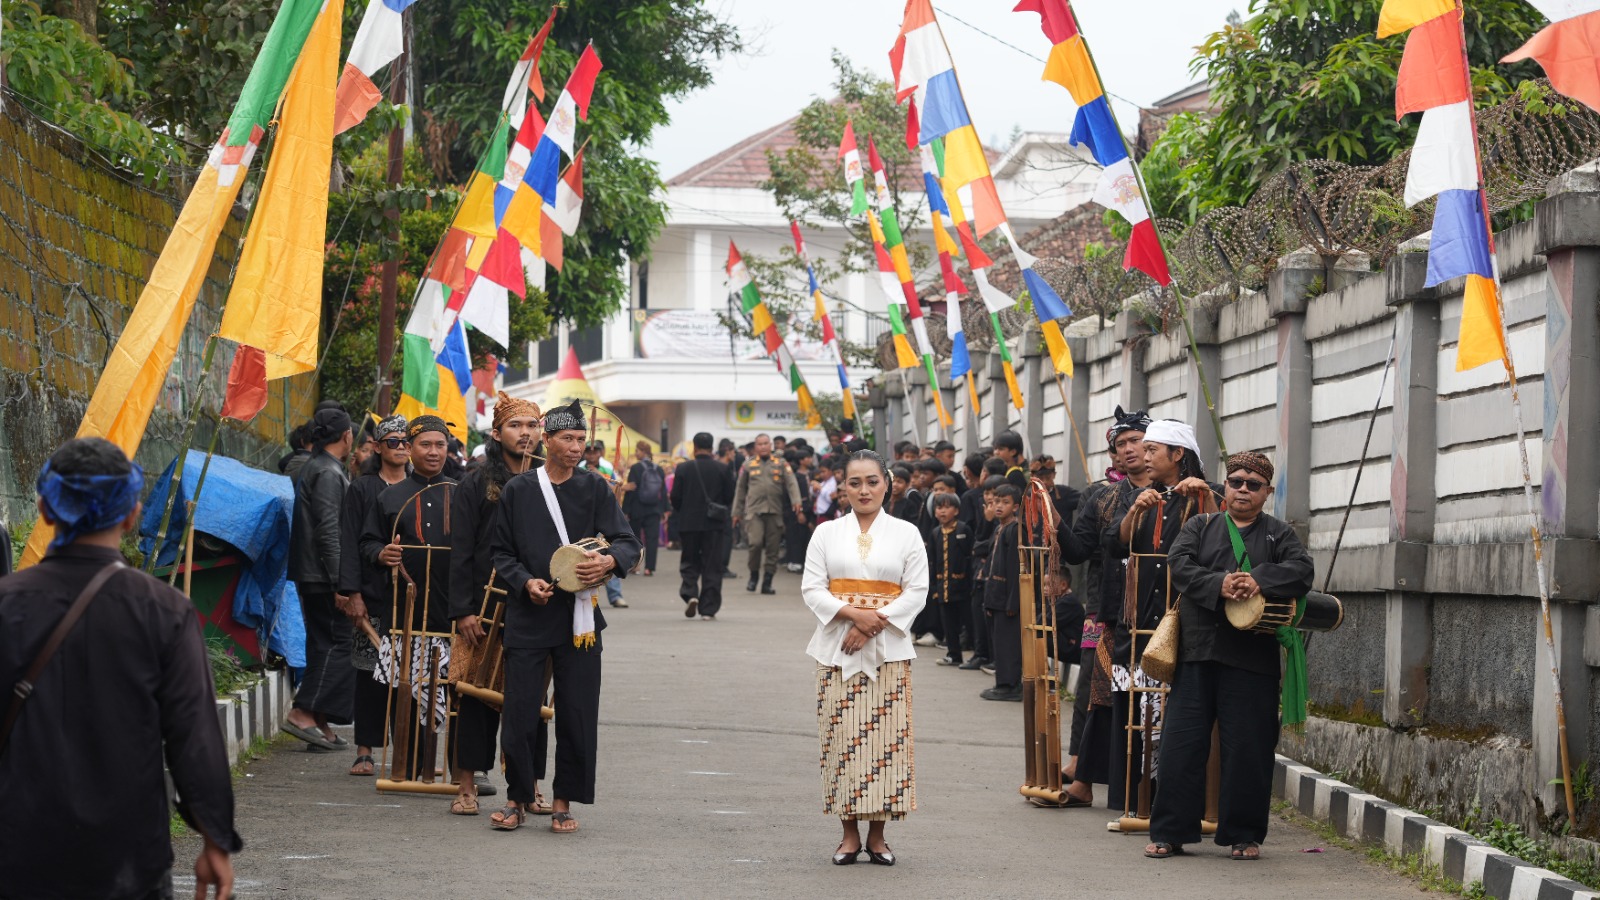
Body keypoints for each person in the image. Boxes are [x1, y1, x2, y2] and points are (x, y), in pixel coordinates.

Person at [0, 437, 241, 899]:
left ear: (46, 510)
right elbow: (195, 736)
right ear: (131, 515)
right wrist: (215, 838)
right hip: (127, 856)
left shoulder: (7, 605)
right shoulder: (164, 610)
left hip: (17, 846)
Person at [1145, 452, 1313, 861]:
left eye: (1252, 484)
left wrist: (1256, 579)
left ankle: (1243, 835)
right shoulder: (1200, 527)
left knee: (1249, 749)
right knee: (1180, 746)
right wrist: (1221, 583)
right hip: (1197, 652)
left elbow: (1302, 571)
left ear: (1267, 492)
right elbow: (1179, 565)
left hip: (1252, 659)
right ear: (1225, 487)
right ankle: (1170, 832)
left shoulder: (1279, 535)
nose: (1242, 489)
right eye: (1235, 481)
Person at [488, 400, 641, 833]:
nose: (576, 447)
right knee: (519, 712)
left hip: (580, 623)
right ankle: (517, 797)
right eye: (567, 439)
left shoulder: (594, 488)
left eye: (580, 440)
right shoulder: (519, 490)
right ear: (546, 440)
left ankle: (561, 801)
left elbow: (627, 542)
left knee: (576, 712)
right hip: (529, 616)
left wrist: (608, 563)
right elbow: (501, 552)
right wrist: (523, 582)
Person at [802, 450, 928, 867]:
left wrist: (873, 623)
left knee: (884, 747)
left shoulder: (908, 533)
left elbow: (916, 589)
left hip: (889, 654)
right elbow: (813, 588)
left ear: (886, 484)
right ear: (843, 487)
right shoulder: (825, 534)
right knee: (841, 745)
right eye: (855, 482)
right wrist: (853, 615)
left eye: (872, 481)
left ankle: (878, 837)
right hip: (835, 651)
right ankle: (848, 835)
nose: (864, 490)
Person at [1107, 418, 1216, 815]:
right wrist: (1134, 511)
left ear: (1178, 455)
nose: (1142, 456)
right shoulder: (1144, 496)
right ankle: (1138, 801)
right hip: (1140, 622)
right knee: (1140, 718)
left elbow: (1225, 543)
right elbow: (1114, 547)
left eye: (1153, 450)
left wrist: (1205, 498)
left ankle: (1185, 805)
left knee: (1177, 721)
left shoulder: (1211, 496)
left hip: (1188, 627)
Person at [448, 395, 544, 816]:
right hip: (483, 608)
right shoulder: (474, 481)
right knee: (474, 696)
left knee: (534, 703)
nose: (525, 432)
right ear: (497, 433)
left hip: (537, 605)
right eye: (515, 425)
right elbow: (461, 549)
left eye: (532, 425)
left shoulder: (551, 478)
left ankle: (532, 786)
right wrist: (463, 610)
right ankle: (466, 785)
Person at [358, 415, 458, 783]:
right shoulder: (389, 496)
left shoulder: (461, 493)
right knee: (406, 689)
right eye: (425, 445)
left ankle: (460, 769)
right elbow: (367, 541)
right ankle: (408, 764)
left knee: (453, 690)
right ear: (409, 448)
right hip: (404, 609)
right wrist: (381, 554)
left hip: (452, 611)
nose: (433, 452)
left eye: (440, 445)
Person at [1062, 406, 1153, 807]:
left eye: (1136, 441)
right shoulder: (1102, 496)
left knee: (1148, 696)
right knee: (1096, 690)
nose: (1129, 449)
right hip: (1107, 608)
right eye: (1122, 444)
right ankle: (1081, 776)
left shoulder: (1183, 490)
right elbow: (1080, 550)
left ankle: (1146, 789)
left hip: (1161, 610)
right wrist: (1053, 523)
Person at [337, 413, 411, 777]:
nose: (400, 448)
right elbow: (349, 541)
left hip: (412, 596)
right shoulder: (362, 488)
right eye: (392, 442)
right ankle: (365, 748)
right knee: (369, 674)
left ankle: (405, 751)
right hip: (371, 591)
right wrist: (351, 592)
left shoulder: (421, 486)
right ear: (379, 447)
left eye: (405, 441)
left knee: (409, 675)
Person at [283, 405, 355, 750]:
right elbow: (329, 530)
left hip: (315, 572)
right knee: (337, 643)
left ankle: (319, 721)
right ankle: (302, 712)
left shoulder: (321, 467)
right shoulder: (327, 472)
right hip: (323, 575)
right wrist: (342, 582)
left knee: (323, 643)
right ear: (347, 436)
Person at [672, 432, 736, 619]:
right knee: (712, 565)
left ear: (694, 446)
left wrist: (684, 511)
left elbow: (675, 497)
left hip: (689, 523)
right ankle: (708, 609)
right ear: (712, 447)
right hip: (714, 524)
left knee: (690, 561)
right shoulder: (722, 469)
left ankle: (691, 593)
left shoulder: (683, 468)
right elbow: (728, 496)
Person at [732, 433, 802, 595]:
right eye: (759, 444)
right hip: (754, 512)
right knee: (755, 544)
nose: (763, 447)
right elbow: (740, 489)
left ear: (770, 445)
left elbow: (791, 482)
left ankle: (767, 581)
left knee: (773, 548)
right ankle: (754, 575)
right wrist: (736, 512)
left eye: (765, 444)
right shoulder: (748, 465)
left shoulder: (781, 463)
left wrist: (796, 501)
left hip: (774, 511)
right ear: (755, 447)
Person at [980, 483, 1024, 701]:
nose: (999, 506)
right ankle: (1002, 682)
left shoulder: (1015, 529)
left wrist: (1013, 603)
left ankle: (1010, 685)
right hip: (995, 596)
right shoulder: (999, 528)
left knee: (1008, 644)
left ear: (1015, 507)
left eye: (1005, 502)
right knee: (998, 642)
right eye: (996, 501)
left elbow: (1015, 568)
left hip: (1007, 600)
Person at [580, 441, 628, 609]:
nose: (591, 455)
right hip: (582, 516)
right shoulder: (578, 465)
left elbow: (616, 489)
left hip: (603, 516)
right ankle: (584, 595)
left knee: (608, 554)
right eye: (588, 452)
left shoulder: (608, 468)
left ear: (600, 453)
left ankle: (615, 595)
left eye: (595, 452)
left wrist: (598, 475)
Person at [926, 493, 971, 667]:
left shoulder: (963, 530)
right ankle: (954, 654)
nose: (942, 511)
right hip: (943, 586)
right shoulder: (935, 533)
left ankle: (982, 653)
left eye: (947, 507)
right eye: (939, 507)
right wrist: (934, 588)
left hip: (962, 586)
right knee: (949, 623)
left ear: (956, 510)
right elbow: (932, 561)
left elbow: (968, 557)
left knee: (968, 621)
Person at [622, 440, 668, 576]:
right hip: (654, 509)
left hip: (637, 509)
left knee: (636, 539)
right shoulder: (658, 469)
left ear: (644, 452)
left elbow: (631, 489)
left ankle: (636, 566)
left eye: (637, 451)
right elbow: (663, 491)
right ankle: (649, 568)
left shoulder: (636, 468)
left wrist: (625, 510)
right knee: (652, 539)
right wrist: (665, 509)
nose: (636, 453)